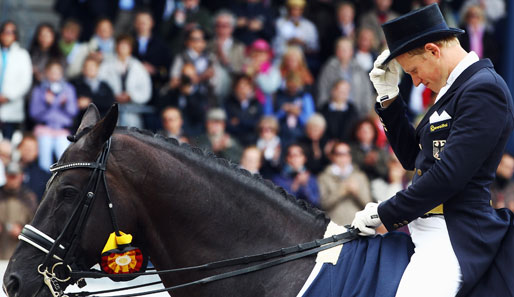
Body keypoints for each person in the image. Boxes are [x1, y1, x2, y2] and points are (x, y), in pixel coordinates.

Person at [351, 4, 514, 297]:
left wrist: (386, 213)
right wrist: (388, 99)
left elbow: (449, 176)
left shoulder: (483, 89)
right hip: (424, 229)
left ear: (433, 50)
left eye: (413, 70)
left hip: (452, 234)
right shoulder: (454, 90)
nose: (414, 80)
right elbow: (413, 158)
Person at [29, 60, 78, 171]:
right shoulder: (39, 89)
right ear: (46, 72)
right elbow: (33, 113)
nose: (54, 75)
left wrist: (63, 104)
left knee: (65, 160)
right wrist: (46, 104)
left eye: (57, 72)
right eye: (52, 72)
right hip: (44, 129)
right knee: (44, 162)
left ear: (61, 73)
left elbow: (73, 112)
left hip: (62, 130)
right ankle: (45, 185)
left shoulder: (69, 89)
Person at [98, 34, 152, 129]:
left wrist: (130, 96)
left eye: (125, 46)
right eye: (120, 45)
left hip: (132, 111)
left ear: (130, 48)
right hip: (110, 109)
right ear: (116, 47)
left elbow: (146, 91)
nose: (122, 48)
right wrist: (112, 95)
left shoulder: (138, 67)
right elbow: (100, 84)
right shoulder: (106, 65)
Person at [317, 37, 374, 117]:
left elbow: (367, 91)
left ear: (351, 51)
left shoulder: (359, 69)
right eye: (341, 49)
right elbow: (322, 90)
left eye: (346, 49)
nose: (343, 52)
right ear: (336, 51)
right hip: (333, 113)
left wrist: (366, 110)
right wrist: (324, 109)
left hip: (356, 113)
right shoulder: (328, 68)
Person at [318, 142, 371, 226]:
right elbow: (323, 204)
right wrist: (341, 191)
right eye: (339, 154)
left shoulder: (360, 176)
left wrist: (357, 193)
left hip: (357, 226)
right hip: (334, 227)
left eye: (347, 154)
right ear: (332, 156)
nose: (343, 157)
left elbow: (368, 205)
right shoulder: (324, 177)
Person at [0, 21, 33, 140]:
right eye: (5, 32)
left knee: (9, 143)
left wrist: (8, 96)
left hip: (11, 107)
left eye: (11, 32)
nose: (7, 35)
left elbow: (25, 81)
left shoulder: (22, 54)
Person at [0, 161, 38, 260]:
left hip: (20, 255)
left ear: (21, 176)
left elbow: (37, 225)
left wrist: (22, 231)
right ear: (5, 175)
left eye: (15, 176)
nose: (12, 179)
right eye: (10, 176)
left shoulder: (28, 198)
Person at [70, 56, 115, 131]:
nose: (89, 69)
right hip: (80, 125)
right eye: (87, 66)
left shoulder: (105, 86)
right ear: (83, 68)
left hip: (101, 125)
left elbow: (110, 102)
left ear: (97, 68)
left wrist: (90, 102)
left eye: (92, 67)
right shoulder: (75, 84)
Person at [272, 143, 320, 208]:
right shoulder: (278, 179)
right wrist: (295, 185)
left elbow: (315, 203)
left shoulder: (311, 179)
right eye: (290, 155)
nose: (293, 159)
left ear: (304, 158)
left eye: (297, 155)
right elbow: (280, 202)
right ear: (286, 158)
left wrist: (305, 186)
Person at [225, 74, 263, 146]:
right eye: (241, 86)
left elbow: (257, 124)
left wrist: (239, 120)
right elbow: (229, 125)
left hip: (252, 140)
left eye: (247, 85)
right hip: (233, 140)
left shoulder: (256, 103)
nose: (244, 89)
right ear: (235, 88)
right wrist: (247, 120)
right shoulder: (229, 103)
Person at [17, 133, 51, 203]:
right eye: (26, 148)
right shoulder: (9, 172)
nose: (28, 151)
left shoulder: (44, 176)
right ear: (19, 148)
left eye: (32, 149)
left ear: (37, 152)